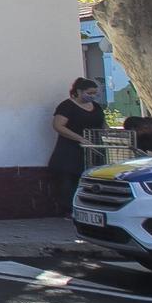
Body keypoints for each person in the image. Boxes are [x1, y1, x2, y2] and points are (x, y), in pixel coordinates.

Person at [47, 78, 106, 214]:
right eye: (89, 93)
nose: (92, 96)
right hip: (70, 148)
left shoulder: (96, 106)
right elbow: (58, 125)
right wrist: (80, 139)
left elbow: (102, 124)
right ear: (79, 91)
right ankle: (69, 209)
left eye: (94, 93)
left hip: (94, 148)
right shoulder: (67, 106)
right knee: (69, 178)